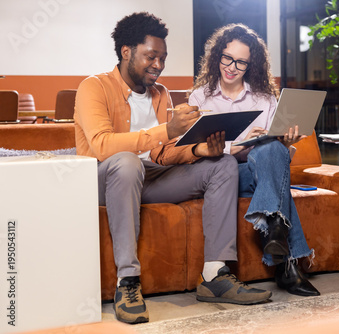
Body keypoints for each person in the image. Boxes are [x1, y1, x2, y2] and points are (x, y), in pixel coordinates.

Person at [74, 13, 271, 325]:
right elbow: (101, 145)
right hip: (105, 179)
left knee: (222, 163)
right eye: (150, 56)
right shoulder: (93, 87)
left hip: (150, 178)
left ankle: (214, 276)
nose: (158, 65)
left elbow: (161, 154)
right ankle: (128, 283)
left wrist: (197, 149)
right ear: (126, 51)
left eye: (162, 58)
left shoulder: (160, 93)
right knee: (126, 162)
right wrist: (166, 130)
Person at [189, 23, 320, 297]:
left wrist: (284, 143)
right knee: (264, 158)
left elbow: (276, 159)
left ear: (251, 65)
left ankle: (276, 232)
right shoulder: (200, 97)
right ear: (218, 56)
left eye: (241, 62)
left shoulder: (264, 99)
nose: (232, 67)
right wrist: (235, 147)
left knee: (271, 149)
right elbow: (194, 151)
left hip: (260, 174)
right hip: (222, 177)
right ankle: (287, 266)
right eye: (227, 58)